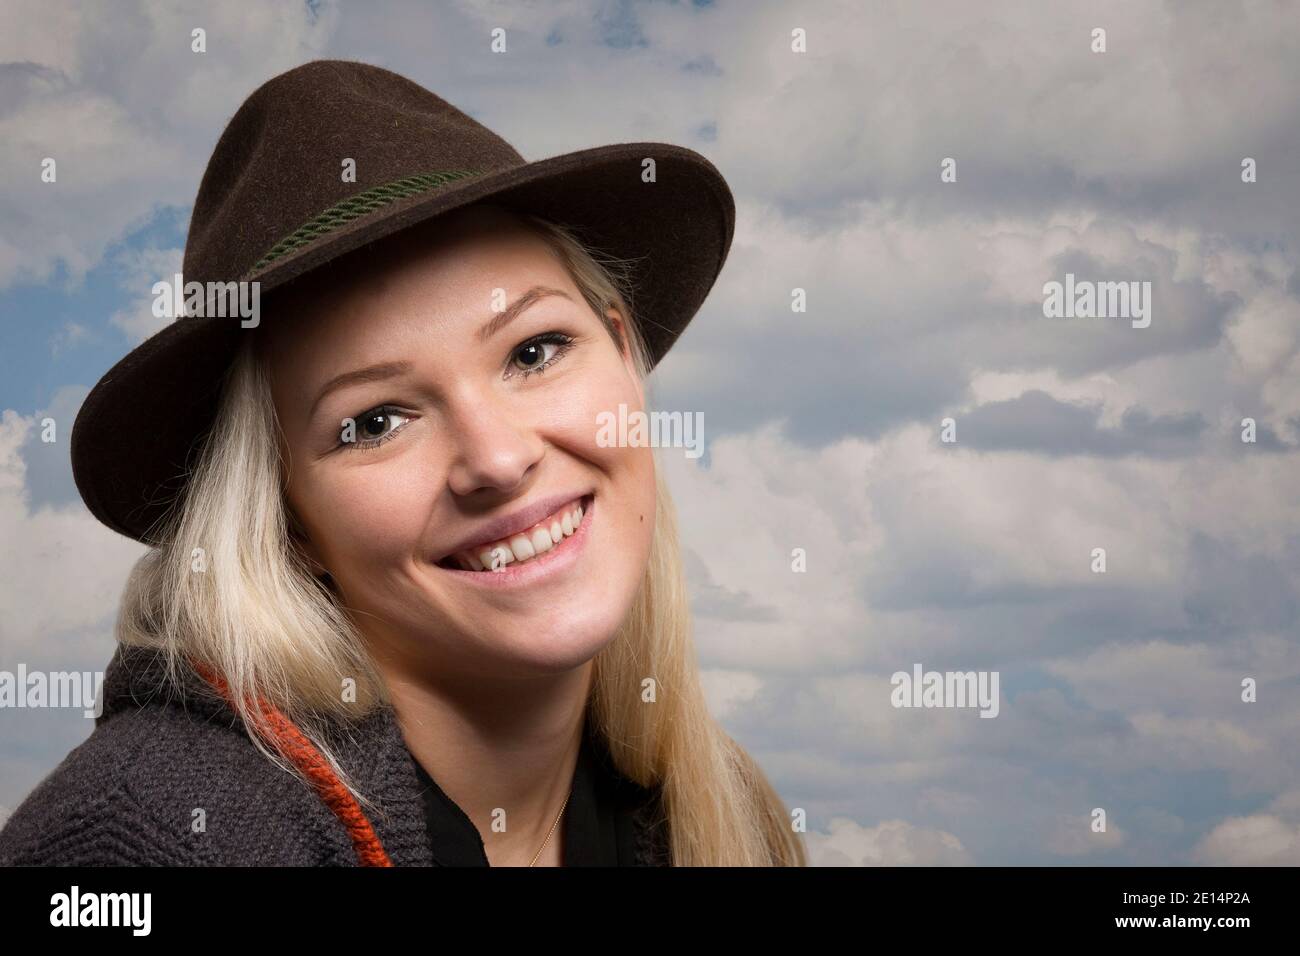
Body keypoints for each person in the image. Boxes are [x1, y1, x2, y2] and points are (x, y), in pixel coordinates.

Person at [0, 60, 807, 867]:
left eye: (534, 350)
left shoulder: (723, 819)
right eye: (376, 421)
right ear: (285, 521)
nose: (496, 458)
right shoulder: (146, 839)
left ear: (624, 354)